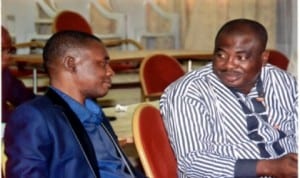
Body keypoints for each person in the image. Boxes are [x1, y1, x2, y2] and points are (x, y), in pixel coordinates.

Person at [160, 19, 298, 178]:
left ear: (264, 58)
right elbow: (192, 162)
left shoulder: (283, 81)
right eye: (221, 55)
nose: (228, 65)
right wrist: (269, 168)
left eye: (241, 58)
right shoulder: (189, 92)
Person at [4, 30, 145, 178]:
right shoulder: (35, 117)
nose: (110, 72)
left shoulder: (94, 113)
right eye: (102, 64)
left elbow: (121, 169)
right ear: (71, 64)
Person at [1, 26, 35, 122]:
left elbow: (26, 98)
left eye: (9, 50)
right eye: (1, 50)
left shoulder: (5, 75)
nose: (7, 56)